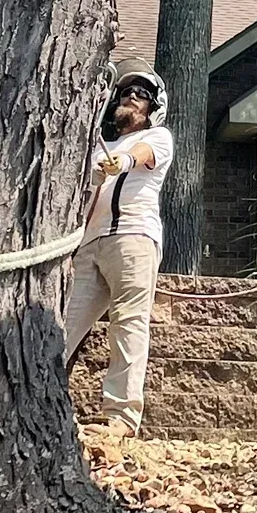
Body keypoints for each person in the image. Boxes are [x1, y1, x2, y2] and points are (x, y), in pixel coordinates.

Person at [65, 58, 174, 438]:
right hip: (88, 246)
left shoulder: (157, 138)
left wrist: (122, 160)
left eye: (141, 94)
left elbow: (142, 155)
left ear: (153, 108)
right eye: (126, 91)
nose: (131, 97)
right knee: (63, 327)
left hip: (133, 237)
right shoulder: (98, 144)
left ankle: (120, 417)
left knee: (128, 324)